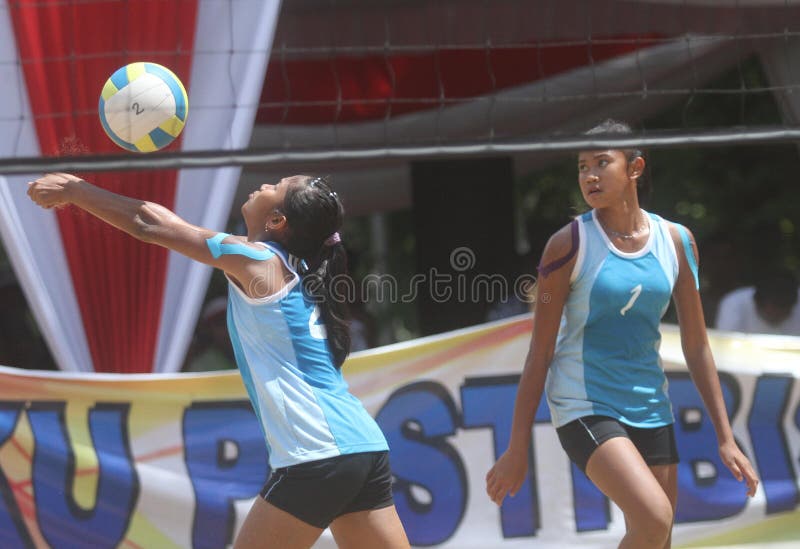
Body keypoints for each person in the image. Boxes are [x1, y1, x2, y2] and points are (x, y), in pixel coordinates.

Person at [27, 173, 410, 549]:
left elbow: (150, 224)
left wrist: (75, 190)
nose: (264, 184)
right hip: (362, 448)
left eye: (275, 188)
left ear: (277, 221)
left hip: (318, 453)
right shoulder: (293, 270)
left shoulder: (260, 263)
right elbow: (171, 225)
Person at [485, 120, 758, 549]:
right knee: (654, 517)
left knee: (657, 537)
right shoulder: (568, 244)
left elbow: (697, 345)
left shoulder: (677, 242)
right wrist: (517, 447)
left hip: (651, 403)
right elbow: (539, 354)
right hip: (586, 404)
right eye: (581, 167)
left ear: (635, 168)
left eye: (601, 163)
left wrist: (726, 437)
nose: (589, 176)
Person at [716, 268, 800, 335]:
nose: (771, 312)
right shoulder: (734, 304)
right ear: (755, 302)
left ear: (793, 305)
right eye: (766, 309)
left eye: (778, 307)